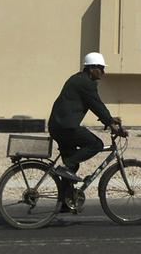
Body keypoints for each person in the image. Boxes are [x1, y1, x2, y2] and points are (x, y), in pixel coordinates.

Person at [48, 52, 122, 183]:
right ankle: (67, 165)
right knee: (96, 144)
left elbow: (93, 104)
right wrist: (110, 123)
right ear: (91, 68)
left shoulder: (78, 79)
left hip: (58, 126)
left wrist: (110, 118)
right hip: (66, 127)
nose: (103, 72)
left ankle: (66, 201)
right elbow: (96, 104)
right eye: (101, 68)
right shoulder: (86, 83)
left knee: (71, 169)